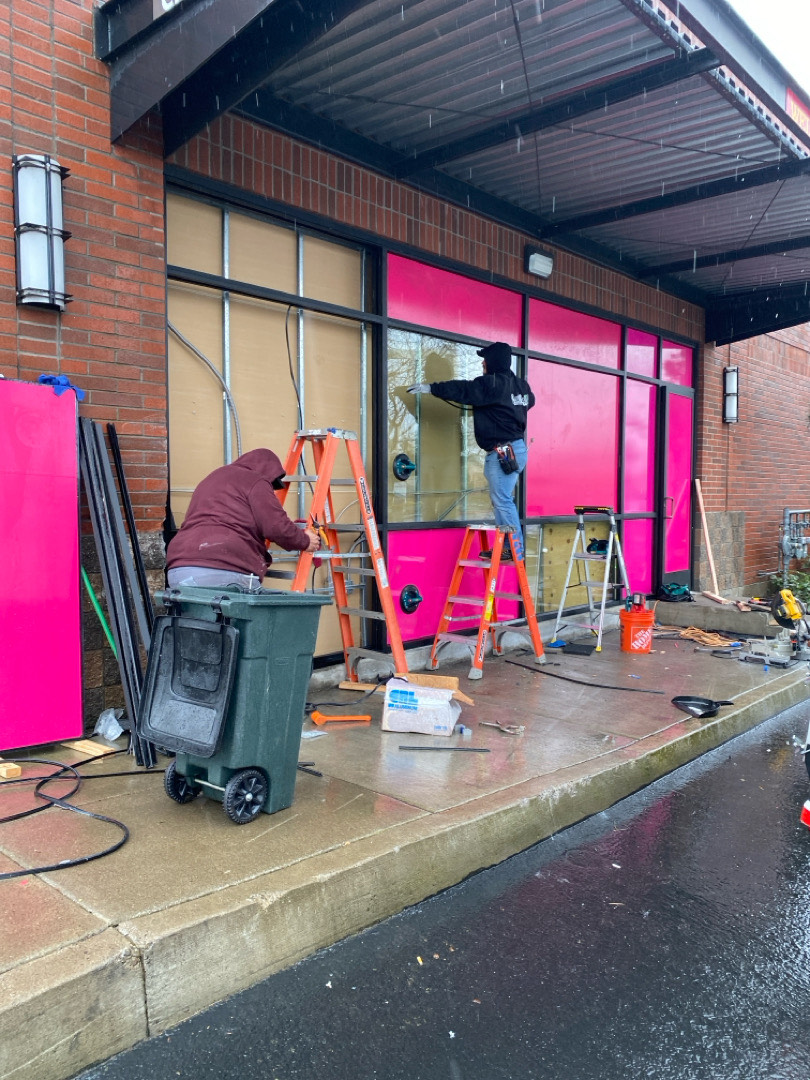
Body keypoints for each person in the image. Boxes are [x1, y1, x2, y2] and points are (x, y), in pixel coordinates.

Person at [408, 341, 534, 561]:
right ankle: (510, 547)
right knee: (503, 498)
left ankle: (514, 550)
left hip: (503, 451)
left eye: (485, 359)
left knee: (502, 499)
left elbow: (463, 390)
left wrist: (431, 388)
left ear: (493, 361)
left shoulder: (491, 384)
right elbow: (529, 402)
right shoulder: (520, 385)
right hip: (516, 448)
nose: (483, 363)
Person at [165, 448, 320, 592]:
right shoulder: (257, 480)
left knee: (194, 622)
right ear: (268, 472)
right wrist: (305, 540)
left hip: (179, 569)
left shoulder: (212, 478)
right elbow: (276, 526)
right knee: (245, 619)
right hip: (223, 568)